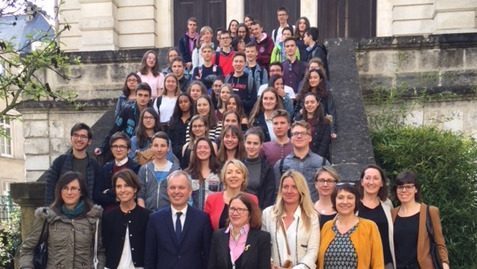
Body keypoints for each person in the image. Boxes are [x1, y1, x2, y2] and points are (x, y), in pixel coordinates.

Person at [19, 171, 105, 269]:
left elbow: (99, 252)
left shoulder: (93, 218)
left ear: (81, 192)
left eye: (73, 188)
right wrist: (27, 267)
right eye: (65, 188)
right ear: (60, 191)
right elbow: (27, 248)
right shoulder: (48, 217)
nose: (69, 192)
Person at [145, 170, 212, 269]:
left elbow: (207, 256)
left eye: (181, 187)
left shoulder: (202, 219)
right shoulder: (155, 219)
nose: (176, 191)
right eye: (172, 187)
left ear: (190, 191)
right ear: (167, 191)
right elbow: (150, 257)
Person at [317, 182, 384, 269]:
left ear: (356, 201)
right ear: (334, 201)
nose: (345, 202)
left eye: (350, 197)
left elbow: (378, 264)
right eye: (340, 198)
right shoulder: (327, 227)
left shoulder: (370, 227)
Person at [262, 170, 320, 269]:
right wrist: (272, 265)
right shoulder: (268, 214)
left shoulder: (312, 216)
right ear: (280, 190)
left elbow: (313, 251)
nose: (289, 191)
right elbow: (263, 246)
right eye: (285, 187)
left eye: (294, 187)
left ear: (301, 190)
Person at [392, 171, 449, 269]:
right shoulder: (392, 213)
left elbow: (440, 243)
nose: (404, 190)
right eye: (400, 187)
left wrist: (445, 264)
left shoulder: (430, 211)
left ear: (416, 189)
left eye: (409, 186)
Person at [208, 193, 271, 269]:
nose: (235, 213)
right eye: (232, 209)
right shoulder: (218, 236)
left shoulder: (262, 238)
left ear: (250, 213)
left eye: (240, 209)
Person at [102, 169, 150, 269]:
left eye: (127, 185)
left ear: (135, 188)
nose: (122, 190)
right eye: (118, 186)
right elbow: (104, 247)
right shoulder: (108, 216)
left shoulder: (147, 216)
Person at [45, 123, 102, 205]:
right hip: (62, 212)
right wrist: (50, 211)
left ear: (89, 141)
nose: (79, 139)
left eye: (83, 136)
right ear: (71, 138)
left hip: (87, 212)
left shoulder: (94, 165)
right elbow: (50, 188)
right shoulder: (60, 162)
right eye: (76, 135)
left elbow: (97, 193)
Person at [274, 120, 330, 202]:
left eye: (303, 133)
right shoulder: (280, 165)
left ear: (310, 138)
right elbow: (277, 192)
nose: (299, 136)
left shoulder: (322, 163)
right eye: (295, 134)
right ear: (291, 138)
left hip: (314, 210)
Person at [95, 82, 152, 158]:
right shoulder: (127, 110)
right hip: (128, 149)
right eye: (140, 95)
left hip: (146, 149)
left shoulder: (153, 112)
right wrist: (102, 147)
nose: (142, 98)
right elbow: (115, 129)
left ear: (149, 97)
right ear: (135, 95)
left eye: (146, 96)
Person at [358, 164, 396, 269]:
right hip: (360, 263)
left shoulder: (387, 205)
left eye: (375, 178)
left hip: (385, 263)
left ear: (382, 183)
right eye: (367, 178)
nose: (371, 182)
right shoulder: (352, 205)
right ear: (362, 182)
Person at [205, 159, 259, 230]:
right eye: (229, 172)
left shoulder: (252, 199)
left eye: (238, 172)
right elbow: (206, 227)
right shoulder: (212, 199)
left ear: (244, 178)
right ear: (224, 177)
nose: (233, 175)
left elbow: (255, 226)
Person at [95, 132, 140, 211]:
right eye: (115, 146)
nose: (118, 149)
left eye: (122, 146)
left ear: (129, 150)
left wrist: (110, 192)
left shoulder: (136, 168)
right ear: (111, 149)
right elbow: (98, 196)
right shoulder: (105, 168)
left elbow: (136, 194)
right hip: (109, 213)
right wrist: (116, 199)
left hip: (130, 211)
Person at [137, 131, 180, 211]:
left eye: (163, 146)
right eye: (156, 146)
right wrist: (144, 213)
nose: (159, 149)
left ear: (168, 148)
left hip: (168, 215)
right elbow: (140, 196)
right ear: (151, 147)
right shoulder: (144, 169)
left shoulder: (175, 170)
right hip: (148, 214)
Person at [296, 68, 337, 139]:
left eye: (315, 77)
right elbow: (296, 112)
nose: (312, 80)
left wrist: (332, 130)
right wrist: (300, 113)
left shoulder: (326, 94)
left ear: (320, 79)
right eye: (310, 78)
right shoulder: (303, 94)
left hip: (321, 126)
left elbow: (331, 112)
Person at [185, 137, 221, 210]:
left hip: (213, 215)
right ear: (195, 151)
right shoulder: (187, 174)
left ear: (211, 151)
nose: (202, 150)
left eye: (206, 147)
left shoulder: (219, 173)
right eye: (199, 147)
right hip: (194, 217)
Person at [243, 127, 275, 208]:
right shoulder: (238, 165)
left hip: (259, 211)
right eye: (249, 143)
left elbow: (269, 195)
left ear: (261, 145)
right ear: (244, 143)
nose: (251, 146)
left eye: (255, 143)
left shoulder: (267, 168)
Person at [293, 93, 331, 161]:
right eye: (307, 103)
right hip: (301, 158)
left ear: (318, 103)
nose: (309, 105)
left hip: (320, 159)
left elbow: (324, 145)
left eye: (312, 102)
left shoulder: (325, 122)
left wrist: (315, 160)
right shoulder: (298, 120)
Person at [168, 93, 193, 162]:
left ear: (190, 103)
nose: (183, 104)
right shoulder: (173, 120)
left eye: (185, 101)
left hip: (190, 152)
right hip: (175, 154)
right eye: (180, 102)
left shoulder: (194, 119)